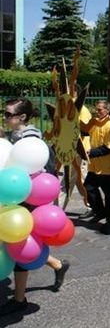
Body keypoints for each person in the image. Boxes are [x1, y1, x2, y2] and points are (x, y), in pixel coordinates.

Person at [0, 98, 70, 316]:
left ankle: (20, 300)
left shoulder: (31, 140)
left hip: (29, 200)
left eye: (8, 114)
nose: (4, 117)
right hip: (13, 198)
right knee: (17, 243)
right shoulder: (13, 138)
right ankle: (58, 265)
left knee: (18, 244)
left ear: (22, 117)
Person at [79, 100, 110, 235]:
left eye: (100, 110)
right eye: (96, 109)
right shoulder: (95, 123)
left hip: (107, 168)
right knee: (89, 187)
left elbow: (108, 148)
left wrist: (90, 153)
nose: (97, 112)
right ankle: (100, 211)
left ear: (107, 110)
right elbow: (85, 131)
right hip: (94, 166)